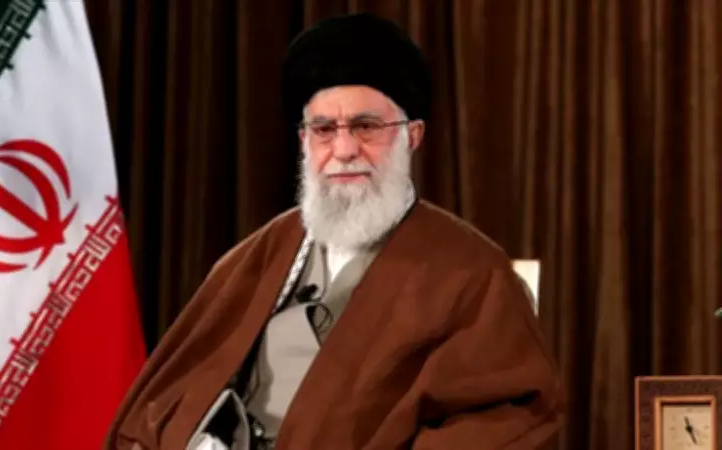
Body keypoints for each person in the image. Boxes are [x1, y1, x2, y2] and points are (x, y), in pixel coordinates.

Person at [105, 13, 565, 450]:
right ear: (304, 140)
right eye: (324, 129)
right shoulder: (255, 257)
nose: (344, 149)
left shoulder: (472, 273)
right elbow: (165, 400)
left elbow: (508, 420)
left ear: (413, 135)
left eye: (366, 127)